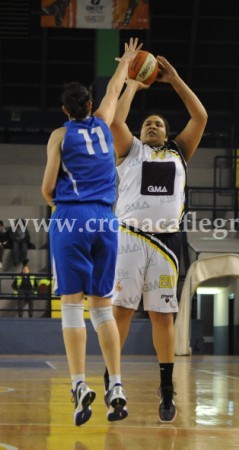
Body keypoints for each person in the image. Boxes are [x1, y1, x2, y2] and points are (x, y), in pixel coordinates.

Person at [41, 37, 141, 426]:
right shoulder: (103, 122)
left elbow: (48, 188)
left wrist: (55, 202)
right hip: (107, 221)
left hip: (71, 218)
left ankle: (80, 384)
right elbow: (115, 88)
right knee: (103, 310)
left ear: (65, 110)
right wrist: (128, 61)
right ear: (90, 105)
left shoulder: (60, 136)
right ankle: (116, 384)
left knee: (71, 306)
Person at [106, 55, 207, 422]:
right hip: (129, 239)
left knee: (164, 318)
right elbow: (116, 120)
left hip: (166, 244)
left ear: (166, 133)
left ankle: (166, 389)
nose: (152, 125)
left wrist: (176, 79)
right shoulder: (130, 150)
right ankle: (113, 382)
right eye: (147, 122)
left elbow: (200, 117)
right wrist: (133, 83)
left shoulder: (179, 151)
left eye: (158, 123)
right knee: (122, 312)